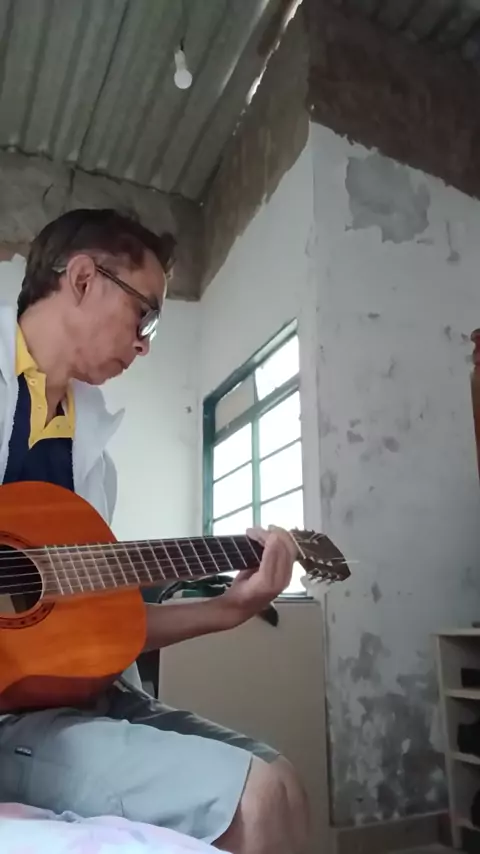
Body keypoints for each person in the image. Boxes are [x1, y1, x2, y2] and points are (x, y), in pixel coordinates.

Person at [0, 209, 309, 854]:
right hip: (14, 715)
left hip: (86, 695)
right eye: (144, 314)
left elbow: (99, 625)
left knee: (282, 782)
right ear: (82, 279)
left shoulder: (94, 456)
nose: (144, 344)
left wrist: (231, 607)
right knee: (253, 798)